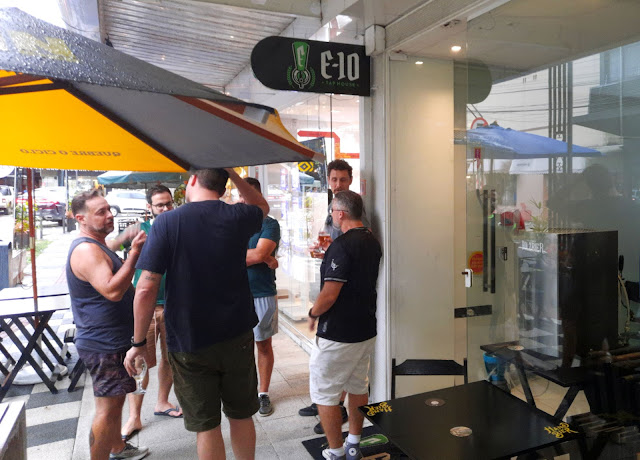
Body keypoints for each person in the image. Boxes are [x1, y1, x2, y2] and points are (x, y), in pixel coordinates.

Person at [124, 168, 268, 460]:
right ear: (223, 186)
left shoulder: (166, 222)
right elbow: (261, 206)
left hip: (189, 338)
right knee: (241, 415)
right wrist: (233, 173)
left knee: (207, 425)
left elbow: (145, 288)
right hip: (237, 333)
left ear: (192, 180)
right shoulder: (238, 216)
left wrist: (138, 342)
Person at [66, 190, 149, 460]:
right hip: (104, 343)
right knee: (107, 409)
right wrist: (134, 253)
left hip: (111, 339)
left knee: (116, 400)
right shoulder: (86, 250)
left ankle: (118, 448)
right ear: (81, 218)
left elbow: (109, 249)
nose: (110, 215)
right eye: (100, 212)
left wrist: (123, 240)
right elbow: (112, 290)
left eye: (109, 209)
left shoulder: (97, 243)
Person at [307, 190, 382, 460]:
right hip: (365, 329)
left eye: (332, 212)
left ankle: (336, 451)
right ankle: (353, 444)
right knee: (358, 386)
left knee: (324, 393)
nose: (332, 216)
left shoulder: (342, 245)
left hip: (339, 333)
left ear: (340, 213)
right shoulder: (372, 241)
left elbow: (329, 295)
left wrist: (313, 313)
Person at [106, 185, 183, 441]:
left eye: (169, 203)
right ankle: (134, 416)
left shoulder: (180, 229)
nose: (166, 208)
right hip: (145, 307)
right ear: (149, 207)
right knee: (139, 361)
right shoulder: (140, 229)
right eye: (160, 205)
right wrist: (127, 256)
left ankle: (162, 402)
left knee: (170, 358)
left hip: (174, 304)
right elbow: (109, 247)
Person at [301, 159, 368, 433]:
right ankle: (340, 422)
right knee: (353, 378)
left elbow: (332, 291)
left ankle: (333, 414)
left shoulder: (354, 211)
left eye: (342, 179)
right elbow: (330, 242)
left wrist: (313, 313)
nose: (337, 184)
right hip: (353, 311)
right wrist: (323, 250)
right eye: (334, 179)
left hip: (344, 311)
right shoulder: (334, 211)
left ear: (351, 179)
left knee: (330, 378)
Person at [239, 177, 281, 417]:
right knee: (238, 346)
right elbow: (257, 255)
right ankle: (244, 390)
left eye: (249, 196)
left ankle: (262, 392)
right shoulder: (232, 224)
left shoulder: (269, 224)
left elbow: (257, 255)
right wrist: (262, 256)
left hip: (262, 291)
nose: (245, 201)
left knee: (263, 343)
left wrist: (261, 255)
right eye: (241, 196)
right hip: (234, 292)